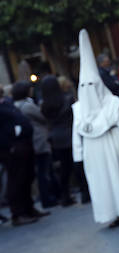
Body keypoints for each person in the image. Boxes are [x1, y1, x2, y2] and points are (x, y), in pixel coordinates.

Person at [73, 29, 119, 228]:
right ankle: (111, 214)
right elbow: (75, 134)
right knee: (101, 182)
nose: (89, 90)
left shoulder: (112, 103)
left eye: (92, 85)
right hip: (93, 151)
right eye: (84, 86)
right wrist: (78, 154)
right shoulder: (78, 109)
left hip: (114, 145)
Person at [12, 81, 58, 209]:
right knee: (44, 171)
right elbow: (42, 117)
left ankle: (50, 195)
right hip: (39, 140)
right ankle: (47, 198)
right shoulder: (27, 106)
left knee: (43, 171)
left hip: (33, 141)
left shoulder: (17, 105)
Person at [0, 97, 45, 225]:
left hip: (22, 145)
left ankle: (28, 208)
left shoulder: (6, 102)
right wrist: (9, 146)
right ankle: (18, 213)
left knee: (26, 177)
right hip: (10, 149)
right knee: (16, 180)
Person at [40, 75, 76, 206]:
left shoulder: (44, 105)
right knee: (76, 164)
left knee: (64, 167)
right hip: (70, 134)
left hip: (55, 138)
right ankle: (84, 192)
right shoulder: (67, 99)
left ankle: (65, 194)